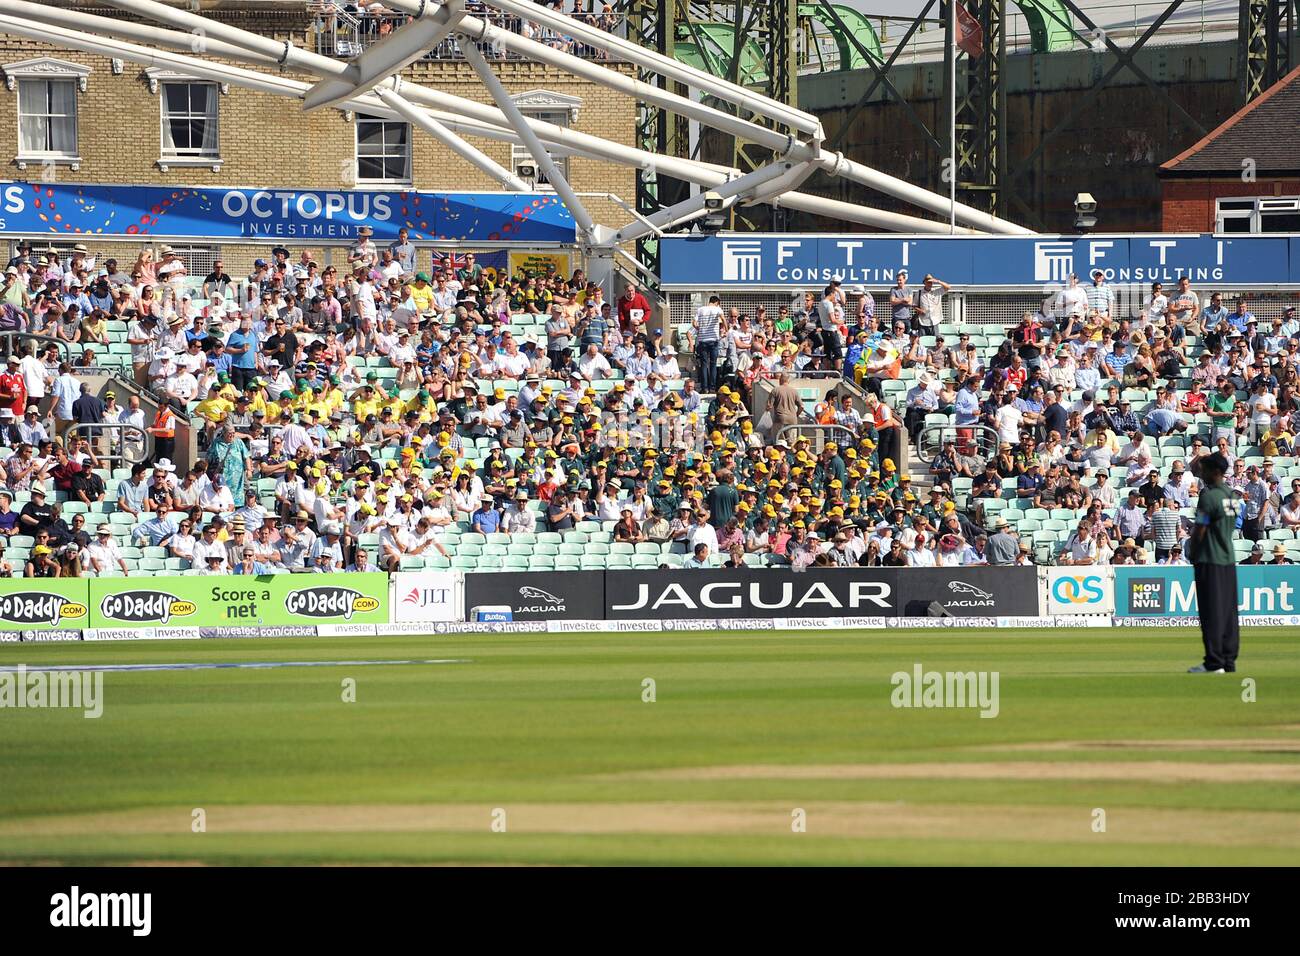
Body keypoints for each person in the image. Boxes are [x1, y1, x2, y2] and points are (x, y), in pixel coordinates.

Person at [1187, 452, 1239, 674]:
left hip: (1209, 558)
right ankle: (1228, 661)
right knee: (1228, 611)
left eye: (1206, 469)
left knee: (1211, 610)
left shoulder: (1209, 497)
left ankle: (1214, 662)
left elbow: (1201, 528)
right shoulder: (1233, 496)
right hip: (1228, 559)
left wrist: (1193, 552)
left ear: (1216, 472)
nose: (1202, 473)